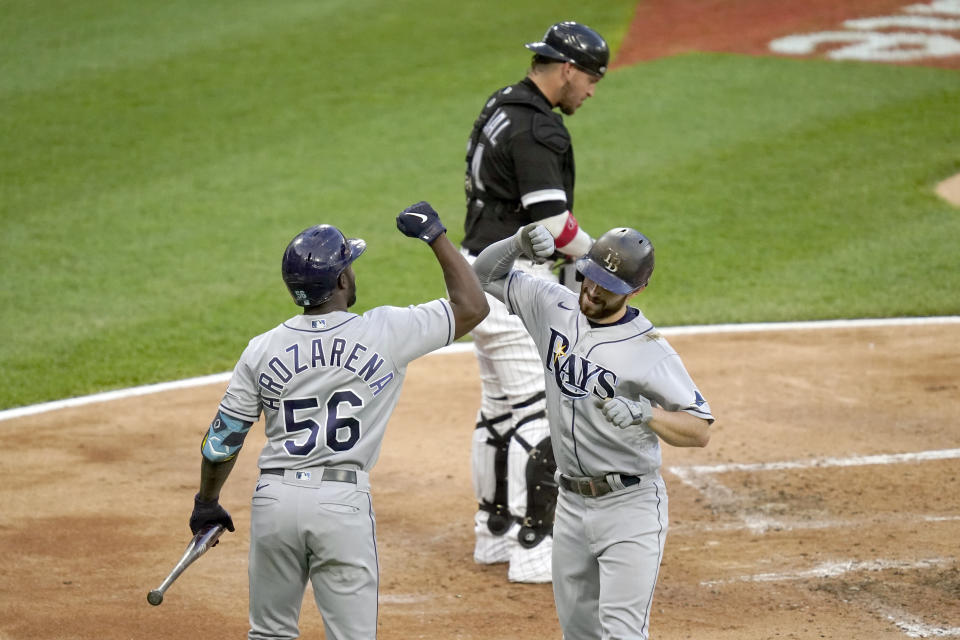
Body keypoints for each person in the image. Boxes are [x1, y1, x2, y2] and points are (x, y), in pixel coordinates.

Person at [186, 202, 488, 640]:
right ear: (342, 280)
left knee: (268, 634)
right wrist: (437, 235)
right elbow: (472, 306)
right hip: (340, 503)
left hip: (274, 501)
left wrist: (206, 502)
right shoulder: (386, 331)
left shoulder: (261, 348)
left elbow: (222, 443)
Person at [472, 224, 715, 639]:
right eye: (592, 278)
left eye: (609, 286)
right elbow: (484, 275)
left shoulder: (650, 350)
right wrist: (517, 242)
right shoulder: (552, 305)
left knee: (622, 633)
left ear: (635, 292)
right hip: (569, 504)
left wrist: (646, 414)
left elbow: (699, 429)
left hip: (629, 507)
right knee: (579, 632)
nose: (594, 292)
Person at [460, 20, 609, 583]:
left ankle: (493, 534)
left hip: (479, 276)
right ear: (568, 70)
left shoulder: (502, 105)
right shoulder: (538, 129)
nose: (592, 90)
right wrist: (599, 261)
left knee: (500, 410)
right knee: (541, 412)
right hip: (513, 283)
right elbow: (552, 221)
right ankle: (535, 545)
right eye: (591, 78)